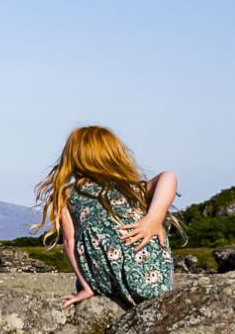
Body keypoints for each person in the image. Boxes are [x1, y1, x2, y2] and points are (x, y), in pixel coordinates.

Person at [36, 125, 178, 309]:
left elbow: (69, 242)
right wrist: (154, 218)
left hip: (107, 280)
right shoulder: (133, 188)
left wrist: (86, 287)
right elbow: (169, 176)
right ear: (115, 154)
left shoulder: (67, 194)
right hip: (156, 281)